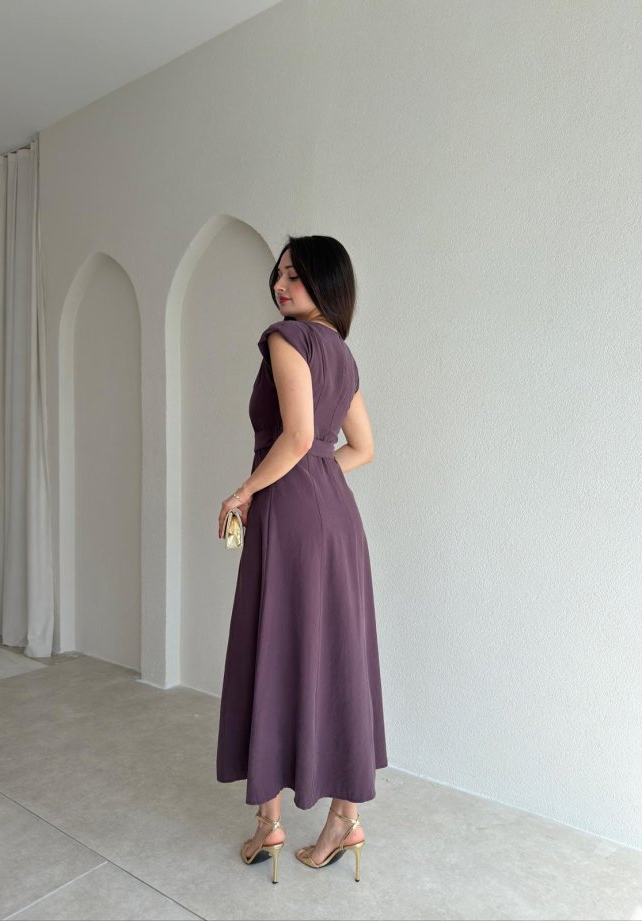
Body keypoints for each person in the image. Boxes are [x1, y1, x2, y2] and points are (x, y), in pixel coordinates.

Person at [216, 235, 387, 884]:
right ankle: (345, 815)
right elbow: (360, 448)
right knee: (336, 651)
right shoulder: (341, 354)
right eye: (279, 274)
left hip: (290, 518)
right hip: (336, 519)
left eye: (295, 275)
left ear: (326, 283)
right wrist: (315, 474)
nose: (281, 285)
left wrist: (246, 491)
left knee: (273, 646)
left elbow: (294, 436)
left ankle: (270, 823)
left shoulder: (286, 339)